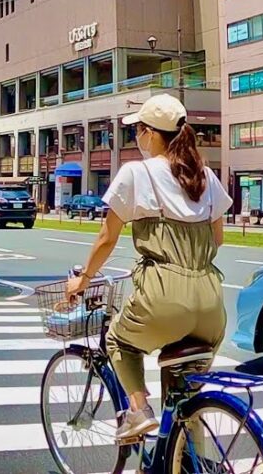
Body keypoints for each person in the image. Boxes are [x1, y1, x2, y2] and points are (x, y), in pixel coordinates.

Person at [64, 94, 232, 442]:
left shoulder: (136, 174)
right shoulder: (205, 176)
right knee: (186, 398)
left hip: (163, 299)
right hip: (210, 306)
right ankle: (189, 461)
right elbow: (218, 239)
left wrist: (84, 278)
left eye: (138, 130)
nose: (137, 137)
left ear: (151, 133)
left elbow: (106, 238)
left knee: (118, 341)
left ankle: (139, 411)